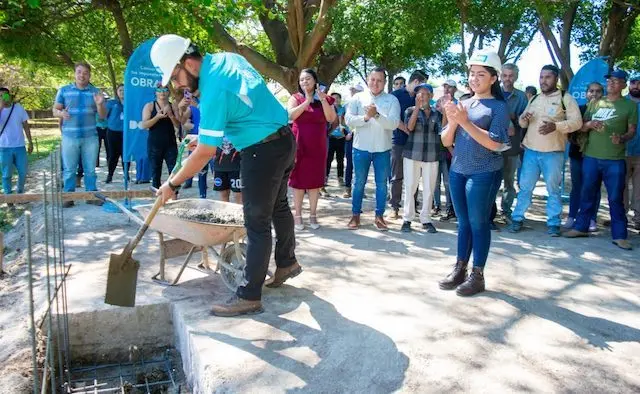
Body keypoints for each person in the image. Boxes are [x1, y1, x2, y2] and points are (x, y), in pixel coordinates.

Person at [151, 34, 300, 316]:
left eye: (175, 76)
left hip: (260, 151)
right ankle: (287, 262)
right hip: (284, 141)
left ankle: (249, 295)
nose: (177, 85)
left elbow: (207, 153)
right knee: (279, 206)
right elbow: (245, 106)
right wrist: (206, 135)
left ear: (189, 63)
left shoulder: (213, 91)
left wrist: (172, 183)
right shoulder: (228, 59)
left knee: (255, 223)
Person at [438, 51, 510, 297]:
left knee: (479, 222)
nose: (475, 78)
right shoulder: (463, 104)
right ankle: (460, 268)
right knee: (463, 222)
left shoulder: (499, 107)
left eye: (481, 74)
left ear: (493, 78)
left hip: (484, 172)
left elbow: (495, 143)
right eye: (472, 74)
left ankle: (477, 275)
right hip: (458, 170)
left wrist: (465, 121)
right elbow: (446, 139)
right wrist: (455, 120)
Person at [564, 69, 637, 250]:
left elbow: (632, 131)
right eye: (609, 81)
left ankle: (619, 235)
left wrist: (622, 138)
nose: (611, 84)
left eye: (615, 81)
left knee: (615, 197)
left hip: (615, 159)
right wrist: (588, 125)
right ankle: (581, 227)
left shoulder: (629, 106)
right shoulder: (596, 103)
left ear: (623, 85)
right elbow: (581, 126)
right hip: (591, 157)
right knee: (587, 193)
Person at [507, 65, 582, 236]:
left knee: (553, 189)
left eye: (548, 77)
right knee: (525, 188)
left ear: (556, 79)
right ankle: (517, 218)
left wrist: (556, 126)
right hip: (531, 152)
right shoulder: (534, 99)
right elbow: (522, 123)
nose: (544, 80)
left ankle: (554, 223)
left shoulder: (566, 98)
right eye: (541, 77)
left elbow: (577, 122)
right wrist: (524, 118)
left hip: (553, 153)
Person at [345, 67, 401, 231]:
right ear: (368, 80)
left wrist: (377, 115)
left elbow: (393, 123)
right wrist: (366, 117)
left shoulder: (391, 100)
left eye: (379, 80)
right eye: (373, 80)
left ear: (384, 82)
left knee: (382, 184)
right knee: (359, 183)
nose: (375, 83)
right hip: (360, 148)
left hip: (382, 149)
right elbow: (348, 120)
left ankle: (379, 216)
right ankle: (355, 215)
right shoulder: (357, 98)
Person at [287, 68, 337, 231]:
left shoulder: (326, 99)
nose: (305, 82)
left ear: (315, 81)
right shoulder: (296, 98)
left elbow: (331, 118)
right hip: (299, 144)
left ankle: (314, 215)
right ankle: (298, 216)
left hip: (318, 146)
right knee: (298, 181)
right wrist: (307, 101)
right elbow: (290, 115)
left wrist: (322, 100)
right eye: (302, 80)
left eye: (308, 79)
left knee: (315, 182)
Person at [53, 62, 107, 208]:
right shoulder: (63, 90)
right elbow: (55, 110)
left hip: (90, 137)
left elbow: (102, 116)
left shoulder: (95, 92)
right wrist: (61, 113)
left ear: (89, 75)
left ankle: (91, 195)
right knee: (69, 168)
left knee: (90, 168)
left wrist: (101, 104)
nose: (82, 75)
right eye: (79, 72)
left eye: (85, 73)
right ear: (75, 73)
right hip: (69, 137)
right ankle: (68, 196)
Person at [400, 84, 441, 233]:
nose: (422, 97)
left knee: (429, 188)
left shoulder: (437, 113)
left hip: (431, 155)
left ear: (431, 96)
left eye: (425, 94)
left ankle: (426, 219)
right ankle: (407, 218)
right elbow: (409, 128)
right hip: (412, 154)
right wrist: (417, 109)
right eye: (419, 94)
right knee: (410, 186)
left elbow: (441, 131)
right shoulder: (410, 110)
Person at [564, 82, 603, 231]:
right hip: (577, 154)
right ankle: (572, 216)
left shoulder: (606, 111)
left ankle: (591, 218)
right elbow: (570, 131)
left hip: (597, 156)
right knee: (577, 187)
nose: (594, 94)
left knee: (594, 188)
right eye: (591, 91)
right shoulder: (578, 110)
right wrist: (585, 126)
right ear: (586, 93)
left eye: (598, 91)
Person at [389, 70, 428, 218]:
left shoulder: (419, 98)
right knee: (397, 176)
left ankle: (411, 206)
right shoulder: (396, 95)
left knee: (414, 176)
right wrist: (408, 131)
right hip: (398, 141)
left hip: (415, 143)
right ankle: (394, 206)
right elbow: (393, 119)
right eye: (421, 85)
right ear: (416, 82)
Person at [497, 63, 529, 220]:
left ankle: (506, 211)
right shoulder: (493, 93)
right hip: (493, 145)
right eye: (505, 75)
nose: (507, 79)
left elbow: (526, 120)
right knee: (492, 179)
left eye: (510, 76)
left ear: (515, 77)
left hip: (512, 145)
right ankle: (490, 213)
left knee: (509, 181)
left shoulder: (522, 97)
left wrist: (513, 117)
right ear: (500, 76)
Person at [140, 84, 180, 189]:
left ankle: (174, 197)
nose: (162, 92)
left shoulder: (173, 106)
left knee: (174, 172)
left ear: (168, 92)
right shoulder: (149, 106)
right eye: (159, 90)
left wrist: (171, 115)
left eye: (165, 90)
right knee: (155, 173)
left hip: (170, 144)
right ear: (156, 92)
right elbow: (144, 125)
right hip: (154, 144)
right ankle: (157, 198)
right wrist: (157, 117)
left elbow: (178, 125)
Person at [0, 87, 32, 196]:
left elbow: (26, 125)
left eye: (5, 95)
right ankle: (8, 197)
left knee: (23, 172)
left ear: (9, 95)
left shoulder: (18, 108)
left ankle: (20, 193)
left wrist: (30, 142)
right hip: (4, 147)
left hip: (20, 146)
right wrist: (1, 107)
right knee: (6, 174)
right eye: (0, 95)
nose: (3, 97)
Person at [624, 73, 640, 230]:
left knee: (639, 189)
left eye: (639, 83)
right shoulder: (622, 102)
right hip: (622, 152)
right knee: (620, 187)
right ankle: (620, 217)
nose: (636, 85)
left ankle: (639, 219)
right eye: (633, 82)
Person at [343, 84, 364, 198]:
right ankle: (347, 188)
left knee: (361, 165)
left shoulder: (365, 104)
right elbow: (342, 120)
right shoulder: (347, 104)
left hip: (362, 137)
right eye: (352, 90)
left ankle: (360, 190)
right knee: (350, 164)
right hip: (350, 138)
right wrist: (346, 133)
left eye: (355, 90)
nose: (352, 92)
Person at [105, 84, 125, 183]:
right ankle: (110, 174)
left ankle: (126, 175)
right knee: (113, 154)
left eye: (124, 90)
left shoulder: (131, 104)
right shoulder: (111, 103)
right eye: (120, 90)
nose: (122, 92)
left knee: (125, 154)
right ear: (117, 92)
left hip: (126, 133)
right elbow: (104, 115)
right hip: (113, 132)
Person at [326, 92, 347, 187]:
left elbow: (346, 122)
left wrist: (346, 132)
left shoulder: (344, 109)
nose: (335, 100)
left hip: (341, 138)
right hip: (331, 137)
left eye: (337, 98)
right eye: (333, 98)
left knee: (340, 159)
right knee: (328, 158)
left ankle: (340, 178)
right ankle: (325, 178)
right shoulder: (328, 109)